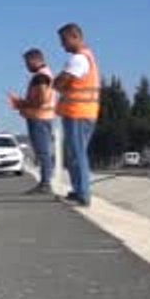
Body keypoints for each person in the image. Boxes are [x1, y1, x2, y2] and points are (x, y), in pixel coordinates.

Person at [52, 23, 101, 207]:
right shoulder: (87, 57)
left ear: (75, 37)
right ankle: (79, 191)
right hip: (82, 113)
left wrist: (58, 81)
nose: (62, 45)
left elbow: (60, 82)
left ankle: (83, 194)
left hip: (78, 113)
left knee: (77, 153)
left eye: (64, 41)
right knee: (74, 154)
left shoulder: (79, 59)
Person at [7, 48, 56, 194]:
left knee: (42, 151)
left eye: (27, 63)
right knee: (43, 151)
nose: (26, 66)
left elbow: (42, 98)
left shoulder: (40, 77)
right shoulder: (46, 74)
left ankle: (45, 183)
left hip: (39, 117)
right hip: (44, 116)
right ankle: (45, 182)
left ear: (34, 60)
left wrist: (22, 103)